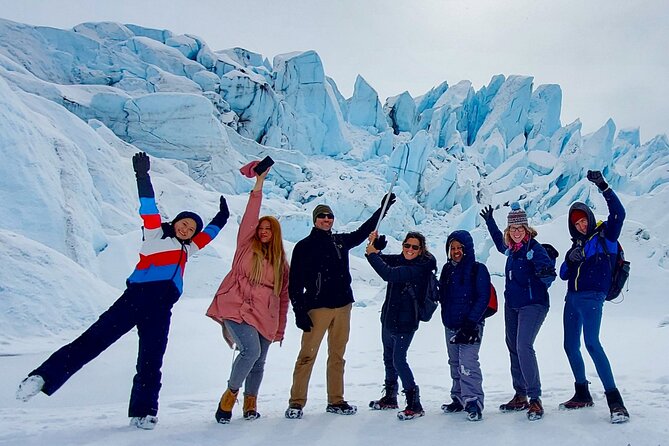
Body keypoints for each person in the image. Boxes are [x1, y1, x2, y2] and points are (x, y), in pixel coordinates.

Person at [15, 152, 229, 430]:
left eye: (190, 228)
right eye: (183, 223)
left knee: (152, 359)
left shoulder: (188, 248)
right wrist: (143, 176)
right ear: (174, 223)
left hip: (161, 309)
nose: (187, 229)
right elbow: (148, 207)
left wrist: (222, 217)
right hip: (134, 300)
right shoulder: (155, 234)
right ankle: (41, 378)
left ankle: (144, 412)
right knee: (93, 341)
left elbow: (209, 232)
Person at [284, 193, 396, 419]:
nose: (327, 219)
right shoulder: (303, 247)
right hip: (317, 308)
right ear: (315, 220)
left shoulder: (339, 242)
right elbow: (294, 282)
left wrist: (381, 210)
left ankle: (336, 400)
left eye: (330, 216)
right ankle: (296, 402)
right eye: (322, 216)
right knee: (307, 355)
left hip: (343, 307)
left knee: (337, 355)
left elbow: (363, 233)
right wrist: (299, 312)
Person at [206, 166, 289, 424]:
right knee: (250, 351)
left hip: (266, 314)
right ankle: (230, 396)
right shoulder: (246, 246)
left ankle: (250, 403)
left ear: (275, 233)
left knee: (259, 361)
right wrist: (259, 184)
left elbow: (283, 299)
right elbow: (250, 216)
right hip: (236, 305)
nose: (263, 231)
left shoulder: (281, 264)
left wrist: (280, 328)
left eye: (269, 228)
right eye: (261, 228)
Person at [559, 170, 630, 424]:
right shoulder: (576, 245)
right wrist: (570, 258)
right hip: (572, 300)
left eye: (583, 220)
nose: (581, 225)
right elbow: (563, 275)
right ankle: (582, 392)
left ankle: (615, 401)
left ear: (589, 217)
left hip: (592, 299)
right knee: (570, 346)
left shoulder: (606, 237)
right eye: (576, 223)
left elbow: (619, 214)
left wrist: (604, 187)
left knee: (591, 343)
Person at [480, 202, 557, 421]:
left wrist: (544, 273)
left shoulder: (535, 249)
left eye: (519, 228)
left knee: (524, 346)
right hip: (512, 304)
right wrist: (490, 222)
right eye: (512, 229)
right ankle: (520, 394)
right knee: (513, 346)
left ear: (526, 229)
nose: (516, 232)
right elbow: (497, 244)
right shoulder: (512, 250)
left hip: (533, 304)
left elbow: (549, 274)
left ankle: (535, 398)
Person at [365, 230, 437, 420]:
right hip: (389, 319)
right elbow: (383, 261)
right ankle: (390, 396)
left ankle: (415, 403)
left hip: (406, 322)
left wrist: (372, 254)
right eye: (407, 245)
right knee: (389, 358)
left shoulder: (419, 268)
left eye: (415, 247)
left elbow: (388, 273)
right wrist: (376, 249)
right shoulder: (401, 261)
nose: (410, 250)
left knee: (399, 359)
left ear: (421, 250)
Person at [438, 230, 490, 422]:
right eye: (453, 248)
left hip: (471, 325)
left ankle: (474, 401)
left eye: (460, 248)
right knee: (454, 362)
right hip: (450, 324)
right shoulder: (447, 269)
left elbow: (483, 297)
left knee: (467, 363)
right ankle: (458, 398)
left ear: (468, 249)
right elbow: (442, 294)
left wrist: (470, 324)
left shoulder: (478, 269)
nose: (456, 251)